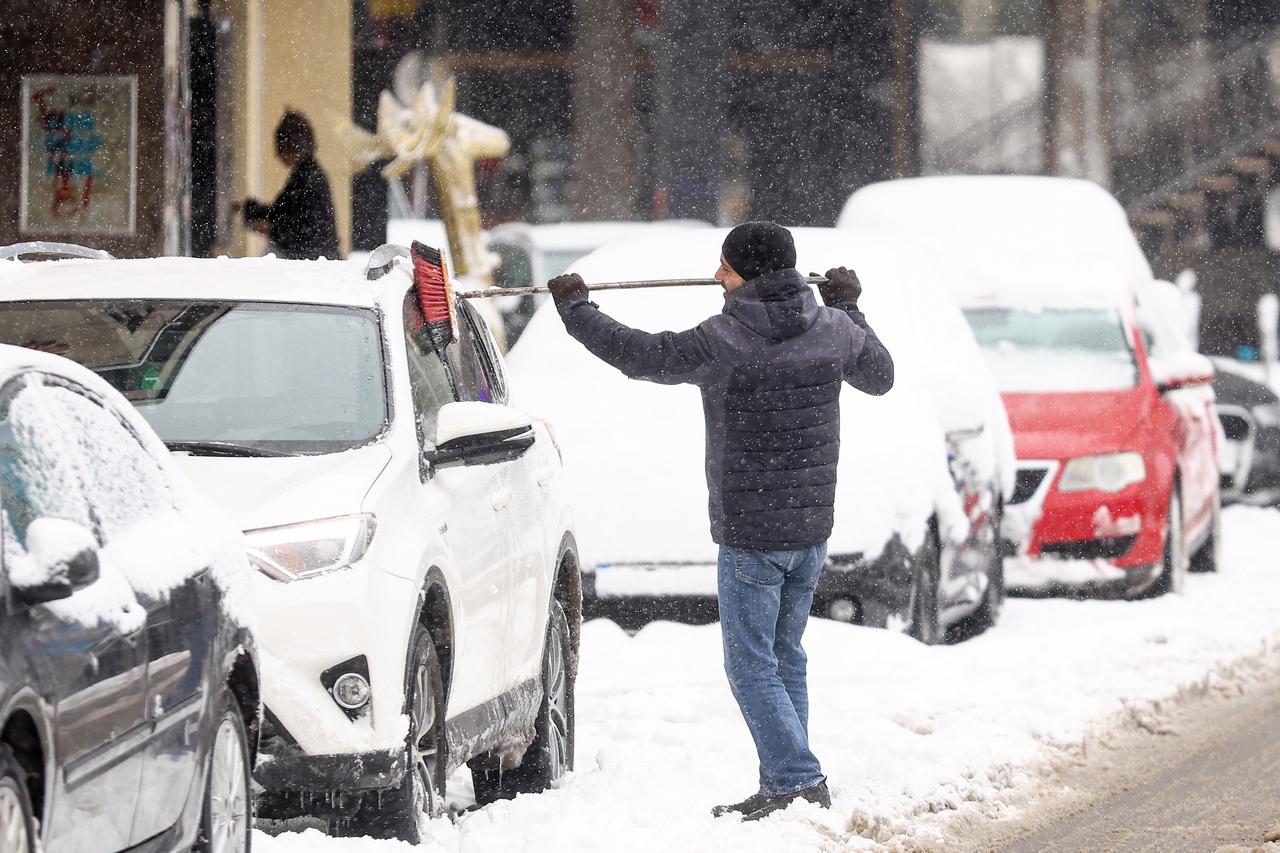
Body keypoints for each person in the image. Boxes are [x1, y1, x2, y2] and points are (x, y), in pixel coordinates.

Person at [547, 221, 893, 822]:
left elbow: (643, 355)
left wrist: (577, 311)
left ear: (748, 274)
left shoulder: (726, 339)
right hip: (810, 527)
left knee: (750, 663)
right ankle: (785, 783)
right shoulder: (832, 329)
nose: (715, 276)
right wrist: (852, 307)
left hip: (752, 532)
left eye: (725, 268)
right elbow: (880, 377)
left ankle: (798, 780)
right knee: (784, 655)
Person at [238, 110, 340, 260]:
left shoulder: (307, 179)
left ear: (292, 148)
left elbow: (301, 227)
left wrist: (270, 228)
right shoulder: (307, 175)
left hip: (310, 262)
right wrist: (250, 209)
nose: (278, 155)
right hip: (315, 259)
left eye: (281, 149)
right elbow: (283, 212)